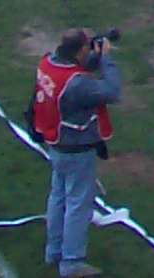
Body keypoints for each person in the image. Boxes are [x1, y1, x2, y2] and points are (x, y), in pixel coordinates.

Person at [37, 28, 121, 278]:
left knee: (58, 196)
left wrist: (95, 55)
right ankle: (72, 262)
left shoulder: (47, 63)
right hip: (76, 148)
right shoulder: (76, 84)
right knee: (78, 204)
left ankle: (53, 251)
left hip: (56, 143)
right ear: (80, 49)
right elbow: (111, 91)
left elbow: (78, 68)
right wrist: (106, 58)